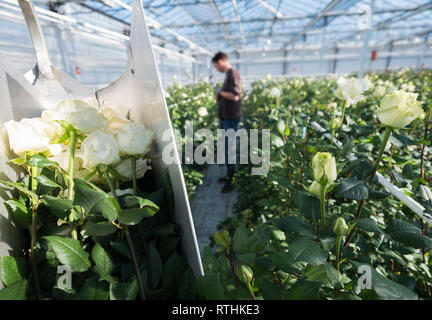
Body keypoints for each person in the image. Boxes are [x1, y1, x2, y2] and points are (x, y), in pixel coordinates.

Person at [212, 52, 242, 193]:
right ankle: (229, 176)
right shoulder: (228, 75)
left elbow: (236, 96)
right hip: (226, 118)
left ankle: (232, 181)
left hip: (230, 119)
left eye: (216, 66)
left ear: (221, 62)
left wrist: (220, 92)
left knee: (229, 150)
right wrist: (219, 94)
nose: (216, 69)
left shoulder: (233, 73)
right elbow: (225, 96)